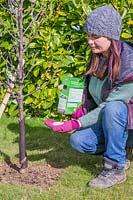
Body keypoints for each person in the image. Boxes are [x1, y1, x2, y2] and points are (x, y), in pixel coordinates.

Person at [44, 5, 133, 189]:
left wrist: (75, 124)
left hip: (128, 124)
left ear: (110, 35)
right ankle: (121, 152)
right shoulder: (98, 56)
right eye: (88, 35)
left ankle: (115, 168)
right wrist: (78, 111)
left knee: (114, 107)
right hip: (111, 122)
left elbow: (110, 105)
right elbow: (95, 96)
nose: (89, 41)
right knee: (78, 141)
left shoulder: (128, 62)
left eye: (95, 36)